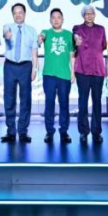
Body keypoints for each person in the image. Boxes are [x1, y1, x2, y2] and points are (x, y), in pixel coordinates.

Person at [1, 3, 39, 143]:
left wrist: (35, 69)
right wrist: (7, 35)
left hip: (25, 66)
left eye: (20, 12)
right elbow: (5, 34)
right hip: (10, 66)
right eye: (15, 13)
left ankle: (22, 131)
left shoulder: (32, 30)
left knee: (25, 100)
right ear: (12, 14)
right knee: (9, 99)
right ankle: (11, 131)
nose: (18, 15)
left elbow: (34, 52)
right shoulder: (7, 26)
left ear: (24, 14)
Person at [72, 5, 107, 143]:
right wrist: (76, 38)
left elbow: (103, 46)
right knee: (83, 102)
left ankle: (96, 132)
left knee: (97, 102)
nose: (89, 16)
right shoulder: (77, 28)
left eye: (91, 13)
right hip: (82, 70)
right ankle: (83, 131)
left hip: (98, 70)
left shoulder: (101, 29)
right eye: (86, 14)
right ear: (83, 16)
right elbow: (75, 37)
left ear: (95, 15)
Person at [38, 8, 74, 143]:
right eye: (53, 17)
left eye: (59, 17)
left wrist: (73, 72)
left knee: (64, 104)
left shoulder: (69, 35)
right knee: (49, 103)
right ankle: (49, 131)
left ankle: (64, 131)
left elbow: (72, 56)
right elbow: (39, 39)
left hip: (64, 75)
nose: (56, 20)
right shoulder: (46, 32)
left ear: (63, 20)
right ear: (50, 20)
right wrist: (40, 38)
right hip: (49, 75)